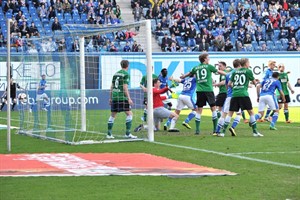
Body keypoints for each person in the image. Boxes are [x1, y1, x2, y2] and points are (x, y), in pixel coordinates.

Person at [180, 53, 227, 135]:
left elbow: (189, 73)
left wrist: (183, 76)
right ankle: (215, 130)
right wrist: (228, 74)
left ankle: (197, 130)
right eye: (208, 58)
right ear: (205, 59)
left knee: (199, 110)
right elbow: (218, 71)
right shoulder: (209, 66)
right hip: (208, 90)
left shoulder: (196, 67)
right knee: (213, 108)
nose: (209, 59)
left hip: (200, 91)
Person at [220, 58, 263, 137]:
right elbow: (254, 83)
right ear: (246, 63)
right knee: (251, 112)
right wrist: (255, 82)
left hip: (235, 94)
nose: (249, 64)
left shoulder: (234, 72)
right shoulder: (248, 71)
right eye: (248, 62)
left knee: (230, 113)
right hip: (243, 94)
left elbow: (229, 84)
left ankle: (222, 132)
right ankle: (255, 132)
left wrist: (237, 87)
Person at [107, 60, 137, 139]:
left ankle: (109, 134)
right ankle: (127, 133)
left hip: (114, 96)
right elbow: (124, 87)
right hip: (121, 97)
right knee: (130, 114)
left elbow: (111, 87)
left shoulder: (116, 74)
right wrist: (129, 98)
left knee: (113, 115)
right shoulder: (126, 74)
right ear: (128, 65)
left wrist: (110, 98)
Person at [214, 59, 243, 137]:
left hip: (229, 96)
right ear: (240, 65)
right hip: (237, 95)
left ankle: (217, 131)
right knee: (239, 113)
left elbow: (227, 86)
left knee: (224, 114)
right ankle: (232, 127)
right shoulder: (241, 73)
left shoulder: (228, 74)